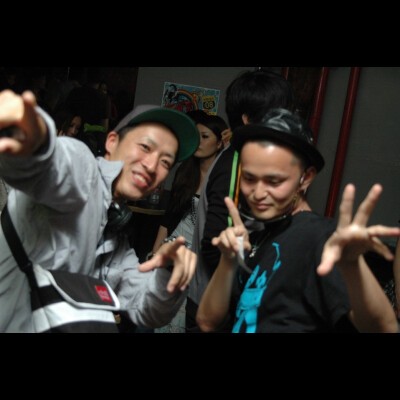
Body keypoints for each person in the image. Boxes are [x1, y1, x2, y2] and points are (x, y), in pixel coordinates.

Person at [0, 89, 199, 333]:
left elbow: (146, 310)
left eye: (165, 162)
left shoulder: (115, 237)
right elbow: (52, 164)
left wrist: (169, 272)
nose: (151, 165)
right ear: (111, 142)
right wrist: (29, 135)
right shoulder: (83, 168)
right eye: (145, 147)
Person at [196, 108, 399, 333]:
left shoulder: (321, 237)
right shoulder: (259, 239)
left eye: (274, 181)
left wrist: (353, 266)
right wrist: (228, 261)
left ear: (306, 178)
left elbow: (385, 328)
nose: (258, 193)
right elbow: (207, 322)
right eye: (249, 178)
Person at [186, 69, 295, 332]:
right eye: (276, 114)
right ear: (247, 119)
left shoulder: (245, 159)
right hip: (218, 310)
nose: (284, 121)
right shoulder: (235, 165)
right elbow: (215, 245)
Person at [152, 112, 226, 333]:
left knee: (189, 312)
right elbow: (170, 215)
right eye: (196, 136)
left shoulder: (222, 179)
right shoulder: (185, 172)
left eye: (205, 136)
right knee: (164, 309)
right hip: (176, 245)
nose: (198, 142)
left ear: (220, 142)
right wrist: (156, 249)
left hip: (202, 252)